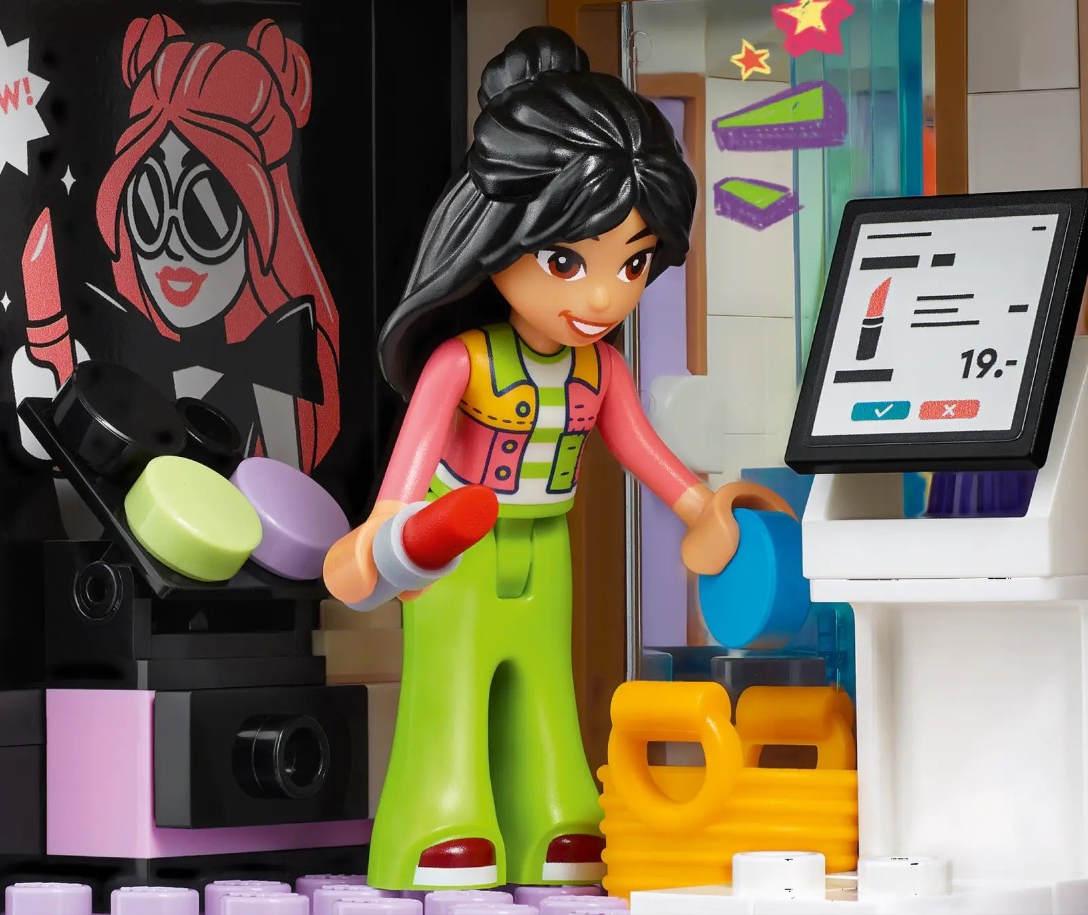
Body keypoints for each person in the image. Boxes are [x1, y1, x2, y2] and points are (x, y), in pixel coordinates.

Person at [324, 25, 787, 891]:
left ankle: (554, 812)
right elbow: (406, 474)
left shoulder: (599, 368)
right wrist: (385, 536)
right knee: (454, 682)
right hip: (454, 549)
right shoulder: (461, 362)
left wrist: (701, 506)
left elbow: (642, 449)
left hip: (546, 542)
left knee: (544, 680)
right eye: (567, 260)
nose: (607, 295)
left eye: (634, 263)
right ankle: (443, 816)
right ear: (493, 239)